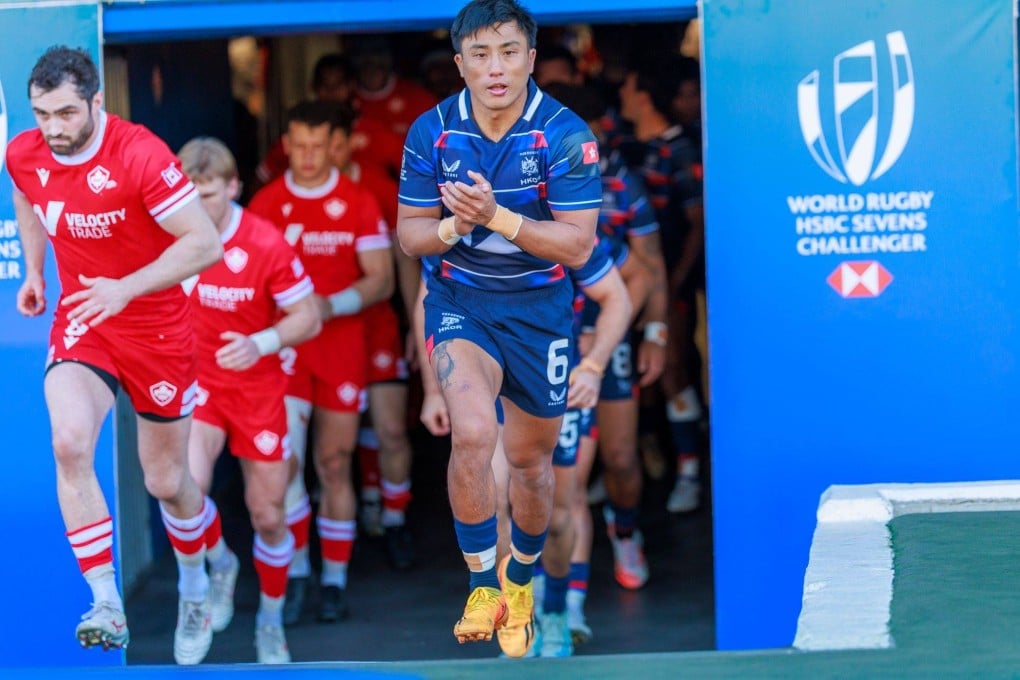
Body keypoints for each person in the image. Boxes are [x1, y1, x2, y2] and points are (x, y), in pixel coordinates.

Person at [397, 0, 602, 658]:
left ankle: (521, 580)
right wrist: (455, 227)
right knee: (474, 433)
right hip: (461, 302)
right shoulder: (431, 133)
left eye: (509, 52)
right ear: (459, 64)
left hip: (541, 314)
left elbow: (575, 248)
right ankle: (483, 582)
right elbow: (408, 236)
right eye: (480, 55)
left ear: (531, 59)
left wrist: (495, 216)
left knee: (531, 466)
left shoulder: (566, 135)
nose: (496, 68)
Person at [5, 46, 223, 664]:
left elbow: (203, 243)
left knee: (166, 481)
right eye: (43, 113)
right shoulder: (26, 151)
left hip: (157, 329)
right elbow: (25, 193)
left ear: (97, 102)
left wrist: (126, 287)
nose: (53, 128)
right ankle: (105, 601)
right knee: (69, 441)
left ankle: (199, 583)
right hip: (86, 322)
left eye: (67, 113)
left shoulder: (140, 154)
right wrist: (33, 270)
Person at [248, 100, 394, 625]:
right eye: (297, 146)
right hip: (284, 351)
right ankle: (298, 571)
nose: (306, 157)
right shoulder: (265, 203)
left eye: (317, 146)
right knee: (284, 465)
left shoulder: (356, 201)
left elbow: (381, 278)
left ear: (334, 144)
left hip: (340, 347)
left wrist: (329, 306)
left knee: (334, 463)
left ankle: (334, 580)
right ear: (286, 143)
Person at [177, 137, 321, 663]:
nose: (197, 204)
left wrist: (259, 343)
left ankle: (269, 620)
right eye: (188, 192)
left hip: (259, 391)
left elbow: (309, 316)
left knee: (268, 516)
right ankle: (218, 564)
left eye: (209, 193)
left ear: (233, 187)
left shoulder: (263, 242)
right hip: (202, 386)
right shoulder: (168, 233)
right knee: (184, 488)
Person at [615, 57, 706, 514]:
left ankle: (690, 472)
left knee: (671, 371)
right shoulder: (622, 147)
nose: (621, 97)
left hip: (668, 283)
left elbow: (697, 222)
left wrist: (676, 281)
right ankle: (623, 466)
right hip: (619, 282)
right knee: (635, 373)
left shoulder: (679, 148)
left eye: (627, 88)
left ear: (643, 93)